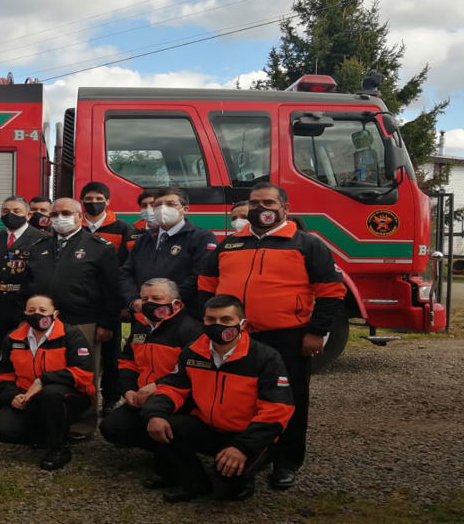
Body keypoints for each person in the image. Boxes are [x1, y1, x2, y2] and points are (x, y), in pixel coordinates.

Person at [198, 182, 346, 489]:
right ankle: (250, 450)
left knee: (289, 398)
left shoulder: (307, 244)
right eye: (254, 203)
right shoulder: (230, 244)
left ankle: (286, 461)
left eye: (268, 202)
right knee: (242, 396)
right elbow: (206, 285)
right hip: (236, 338)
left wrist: (317, 332)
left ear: (285, 209)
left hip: (287, 337)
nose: (260, 209)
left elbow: (331, 291)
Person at [141, 295, 295, 502]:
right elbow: (173, 387)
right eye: (211, 320)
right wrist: (155, 414)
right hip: (208, 426)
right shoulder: (193, 353)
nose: (217, 325)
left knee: (229, 480)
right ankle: (194, 482)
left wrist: (242, 447)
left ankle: (243, 476)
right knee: (164, 426)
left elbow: (278, 409)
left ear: (242, 324)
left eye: (226, 320)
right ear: (203, 321)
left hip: (246, 433)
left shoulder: (265, 357)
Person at [26, 197, 120, 439]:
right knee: (50, 370)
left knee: (84, 373)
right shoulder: (39, 246)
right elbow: (30, 284)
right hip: (45, 322)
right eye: (55, 214)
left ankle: (84, 424)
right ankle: (50, 418)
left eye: (66, 213)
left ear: (80, 216)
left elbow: (111, 289)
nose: (60, 218)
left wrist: (106, 323)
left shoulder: (100, 246)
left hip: (84, 320)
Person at [99, 278, 203, 481]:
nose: (150, 303)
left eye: (157, 298)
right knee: (111, 428)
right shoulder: (141, 327)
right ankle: (162, 447)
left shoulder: (191, 330)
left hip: (179, 399)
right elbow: (127, 361)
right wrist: (128, 390)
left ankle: (175, 456)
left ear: (177, 304)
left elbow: (190, 373)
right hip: (143, 398)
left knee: (172, 428)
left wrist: (157, 387)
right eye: (145, 299)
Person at [0, 295, 94, 470]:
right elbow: (2, 375)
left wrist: (43, 380)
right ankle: (46, 434)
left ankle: (59, 447)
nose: (37, 314)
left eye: (43, 310)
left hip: (66, 396)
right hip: (27, 397)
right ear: (24, 313)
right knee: (2, 430)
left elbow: (84, 372)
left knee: (51, 393)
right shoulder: (13, 338)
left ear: (55, 313)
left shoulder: (71, 335)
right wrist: (12, 396)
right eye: (31, 311)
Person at [0, 196, 49, 369]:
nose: (10, 215)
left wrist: (29, 312)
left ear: (28, 215)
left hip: (23, 306)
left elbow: (39, 279)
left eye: (16, 211)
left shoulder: (41, 239)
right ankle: (3, 390)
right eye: (5, 211)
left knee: (24, 353)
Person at [80, 181, 136, 414]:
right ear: (81, 202)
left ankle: (111, 397)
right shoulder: (75, 227)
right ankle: (83, 397)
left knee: (111, 353)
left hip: (110, 300)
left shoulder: (123, 228)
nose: (94, 203)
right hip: (82, 299)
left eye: (98, 198)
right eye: (88, 199)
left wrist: (123, 303)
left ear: (108, 201)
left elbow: (130, 267)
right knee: (81, 352)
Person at [120, 186, 216, 320]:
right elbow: (127, 273)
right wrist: (134, 299)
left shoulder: (201, 238)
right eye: (158, 205)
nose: (163, 208)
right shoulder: (143, 239)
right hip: (144, 314)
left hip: (182, 314)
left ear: (185, 209)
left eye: (170, 204)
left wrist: (166, 300)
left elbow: (200, 276)